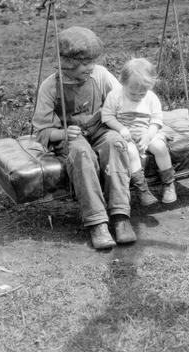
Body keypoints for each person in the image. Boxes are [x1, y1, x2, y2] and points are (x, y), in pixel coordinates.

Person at [32, 26, 136, 251]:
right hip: (71, 137)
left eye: (93, 61)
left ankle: (120, 215)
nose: (91, 67)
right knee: (81, 153)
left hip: (99, 129)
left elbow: (121, 100)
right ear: (68, 63)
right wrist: (62, 133)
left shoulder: (99, 75)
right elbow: (41, 131)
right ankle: (97, 221)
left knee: (115, 144)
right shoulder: (51, 86)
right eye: (85, 63)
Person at [101, 57, 177, 205]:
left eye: (142, 94)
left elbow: (156, 120)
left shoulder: (151, 98)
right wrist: (120, 128)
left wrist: (148, 136)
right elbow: (107, 116)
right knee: (130, 152)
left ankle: (168, 184)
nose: (137, 97)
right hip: (125, 134)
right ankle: (142, 190)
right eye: (132, 93)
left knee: (160, 147)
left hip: (146, 132)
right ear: (123, 83)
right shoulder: (115, 96)